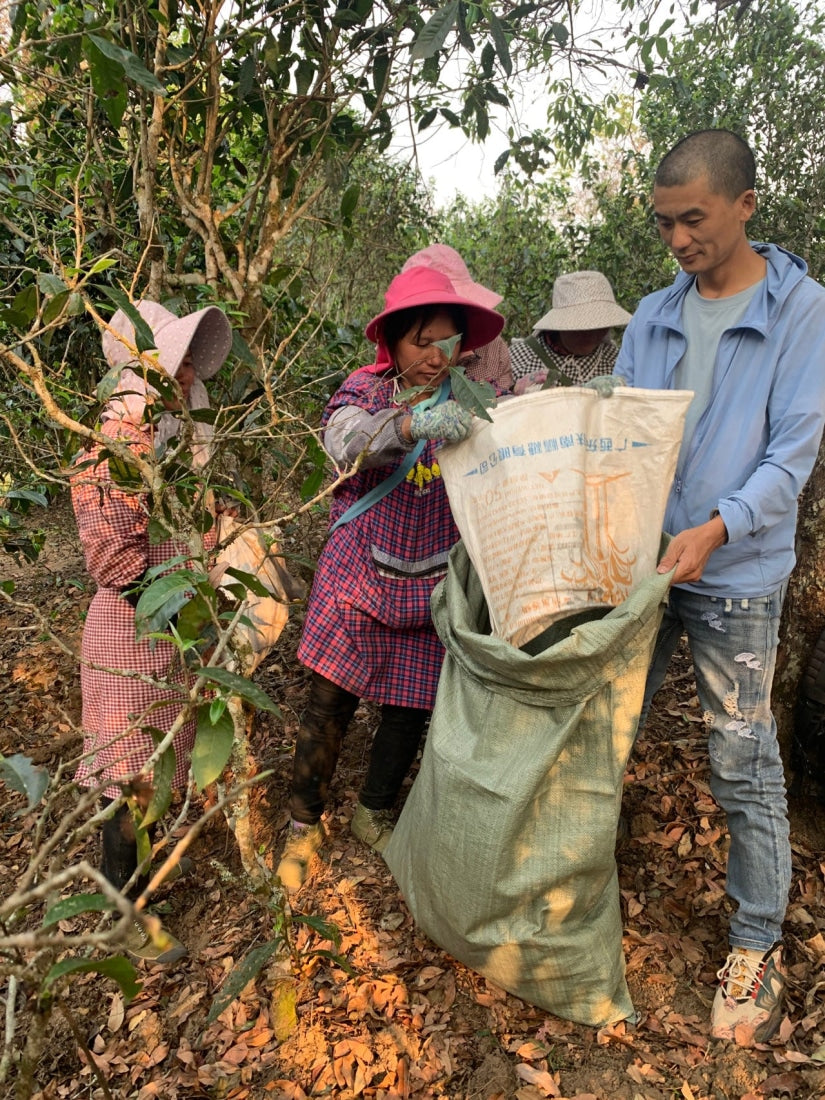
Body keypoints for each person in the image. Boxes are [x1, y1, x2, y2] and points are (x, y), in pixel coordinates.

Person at [613, 129, 825, 1046]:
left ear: (743, 204)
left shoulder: (801, 312)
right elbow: (620, 437)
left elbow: (791, 455)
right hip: (646, 569)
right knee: (603, 728)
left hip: (733, 572)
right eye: (663, 223)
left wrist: (716, 528)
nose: (676, 241)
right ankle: (579, 885)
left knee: (741, 758)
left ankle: (753, 944)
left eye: (691, 219)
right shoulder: (653, 317)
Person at [276, 265, 505, 890]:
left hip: (430, 575)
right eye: (421, 341)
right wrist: (406, 426)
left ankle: (372, 810)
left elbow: (523, 432)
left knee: (410, 706)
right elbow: (342, 437)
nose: (435, 356)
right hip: (358, 571)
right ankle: (303, 825)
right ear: (392, 343)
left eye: (448, 341)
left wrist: (587, 412)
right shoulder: (366, 390)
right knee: (328, 701)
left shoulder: (471, 399)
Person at [71, 299, 232, 963]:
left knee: (154, 766)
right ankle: (120, 912)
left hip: (171, 633)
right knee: (127, 774)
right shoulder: (114, 450)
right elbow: (116, 564)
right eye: (178, 358)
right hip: (130, 636)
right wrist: (186, 610)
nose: (190, 371)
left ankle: (134, 890)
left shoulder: (173, 442)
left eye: (192, 358)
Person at [401, 244, 512, 390]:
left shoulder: (493, 351)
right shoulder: (383, 379)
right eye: (422, 343)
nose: (435, 360)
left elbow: (506, 406)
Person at [509, 270, 631, 394]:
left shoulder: (617, 363)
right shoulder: (520, 360)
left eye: (600, 326)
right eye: (582, 327)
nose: (593, 335)